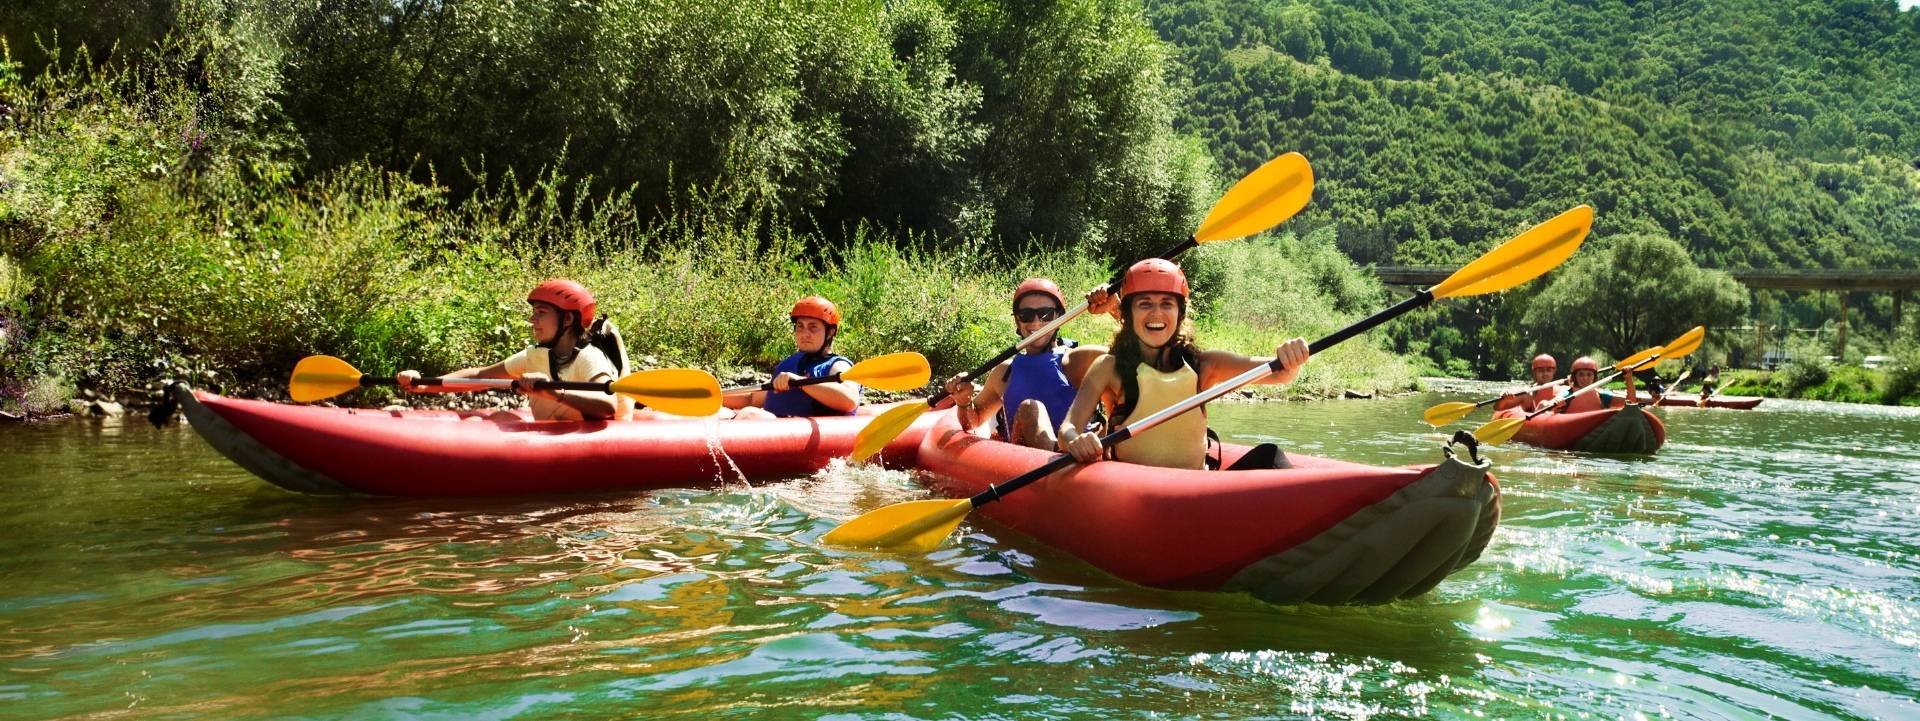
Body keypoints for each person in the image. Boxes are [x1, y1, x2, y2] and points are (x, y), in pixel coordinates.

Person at [1057, 259, 1310, 470]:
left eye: (1167, 304)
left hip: (1195, 491)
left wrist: (1291, 357)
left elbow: (1281, 374)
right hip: (1136, 491)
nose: (1156, 312)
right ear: (1128, 314)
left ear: (1181, 314)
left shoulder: (1203, 365)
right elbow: (1067, 429)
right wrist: (1075, 441)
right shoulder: (1108, 367)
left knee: (1270, 456)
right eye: (1144, 303)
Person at [397, 279, 629, 421]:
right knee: (495, 418)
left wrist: (552, 392)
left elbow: (607, 406)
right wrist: (424, 384)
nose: (532, 319)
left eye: (541, 312)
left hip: (594, 442)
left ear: (567, 319)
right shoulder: (537, 357)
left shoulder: (590, 357)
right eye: (534, 312)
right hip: (555, 438)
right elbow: (480, 375)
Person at [941, 278, 1108, 449]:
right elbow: (972, 421)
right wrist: (963, 401)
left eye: (1046, 314)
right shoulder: (1004, 373)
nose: (1036, 322)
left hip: (1079, 456)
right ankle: (1059, 451)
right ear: (1017, 321)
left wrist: (1116, 309)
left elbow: (1125, 361)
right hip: (1027, 461)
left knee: (1030, 408)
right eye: (1027, 315)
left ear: (1059, 317)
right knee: (1030, 409)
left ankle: (1068, 450)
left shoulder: (1076, 360)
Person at [727, 296, 862, 419]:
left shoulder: (837, 365)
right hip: (777, 428)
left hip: (807, 434)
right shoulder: (792, 363)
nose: (804, 333)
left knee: (750, 414)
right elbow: (752, 399)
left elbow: (850, 400)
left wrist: (801, 382)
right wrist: (717, 397)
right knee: (720, 413)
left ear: (830, 332)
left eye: (813, 327)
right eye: (800, 326)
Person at [1554, 356, 1635, 413]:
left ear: (1594, 377)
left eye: (1589, 374)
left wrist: (1628, 378)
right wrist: (1556, 402)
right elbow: (1547, 405)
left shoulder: (1602, 396)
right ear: (1575, 377)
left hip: (1598, 431)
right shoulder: (1566, 395)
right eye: (1581, 374)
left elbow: (1631, 402)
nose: (1585, 378)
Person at [1496, 353, 1561, 412]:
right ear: (1534, 372)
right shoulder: (1527, 394)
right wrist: (1505, 398)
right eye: (1541, 370)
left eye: (1549, 370)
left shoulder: (1562, 390)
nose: (1545, 373)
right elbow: (1498, 407)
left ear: (1554, 371)